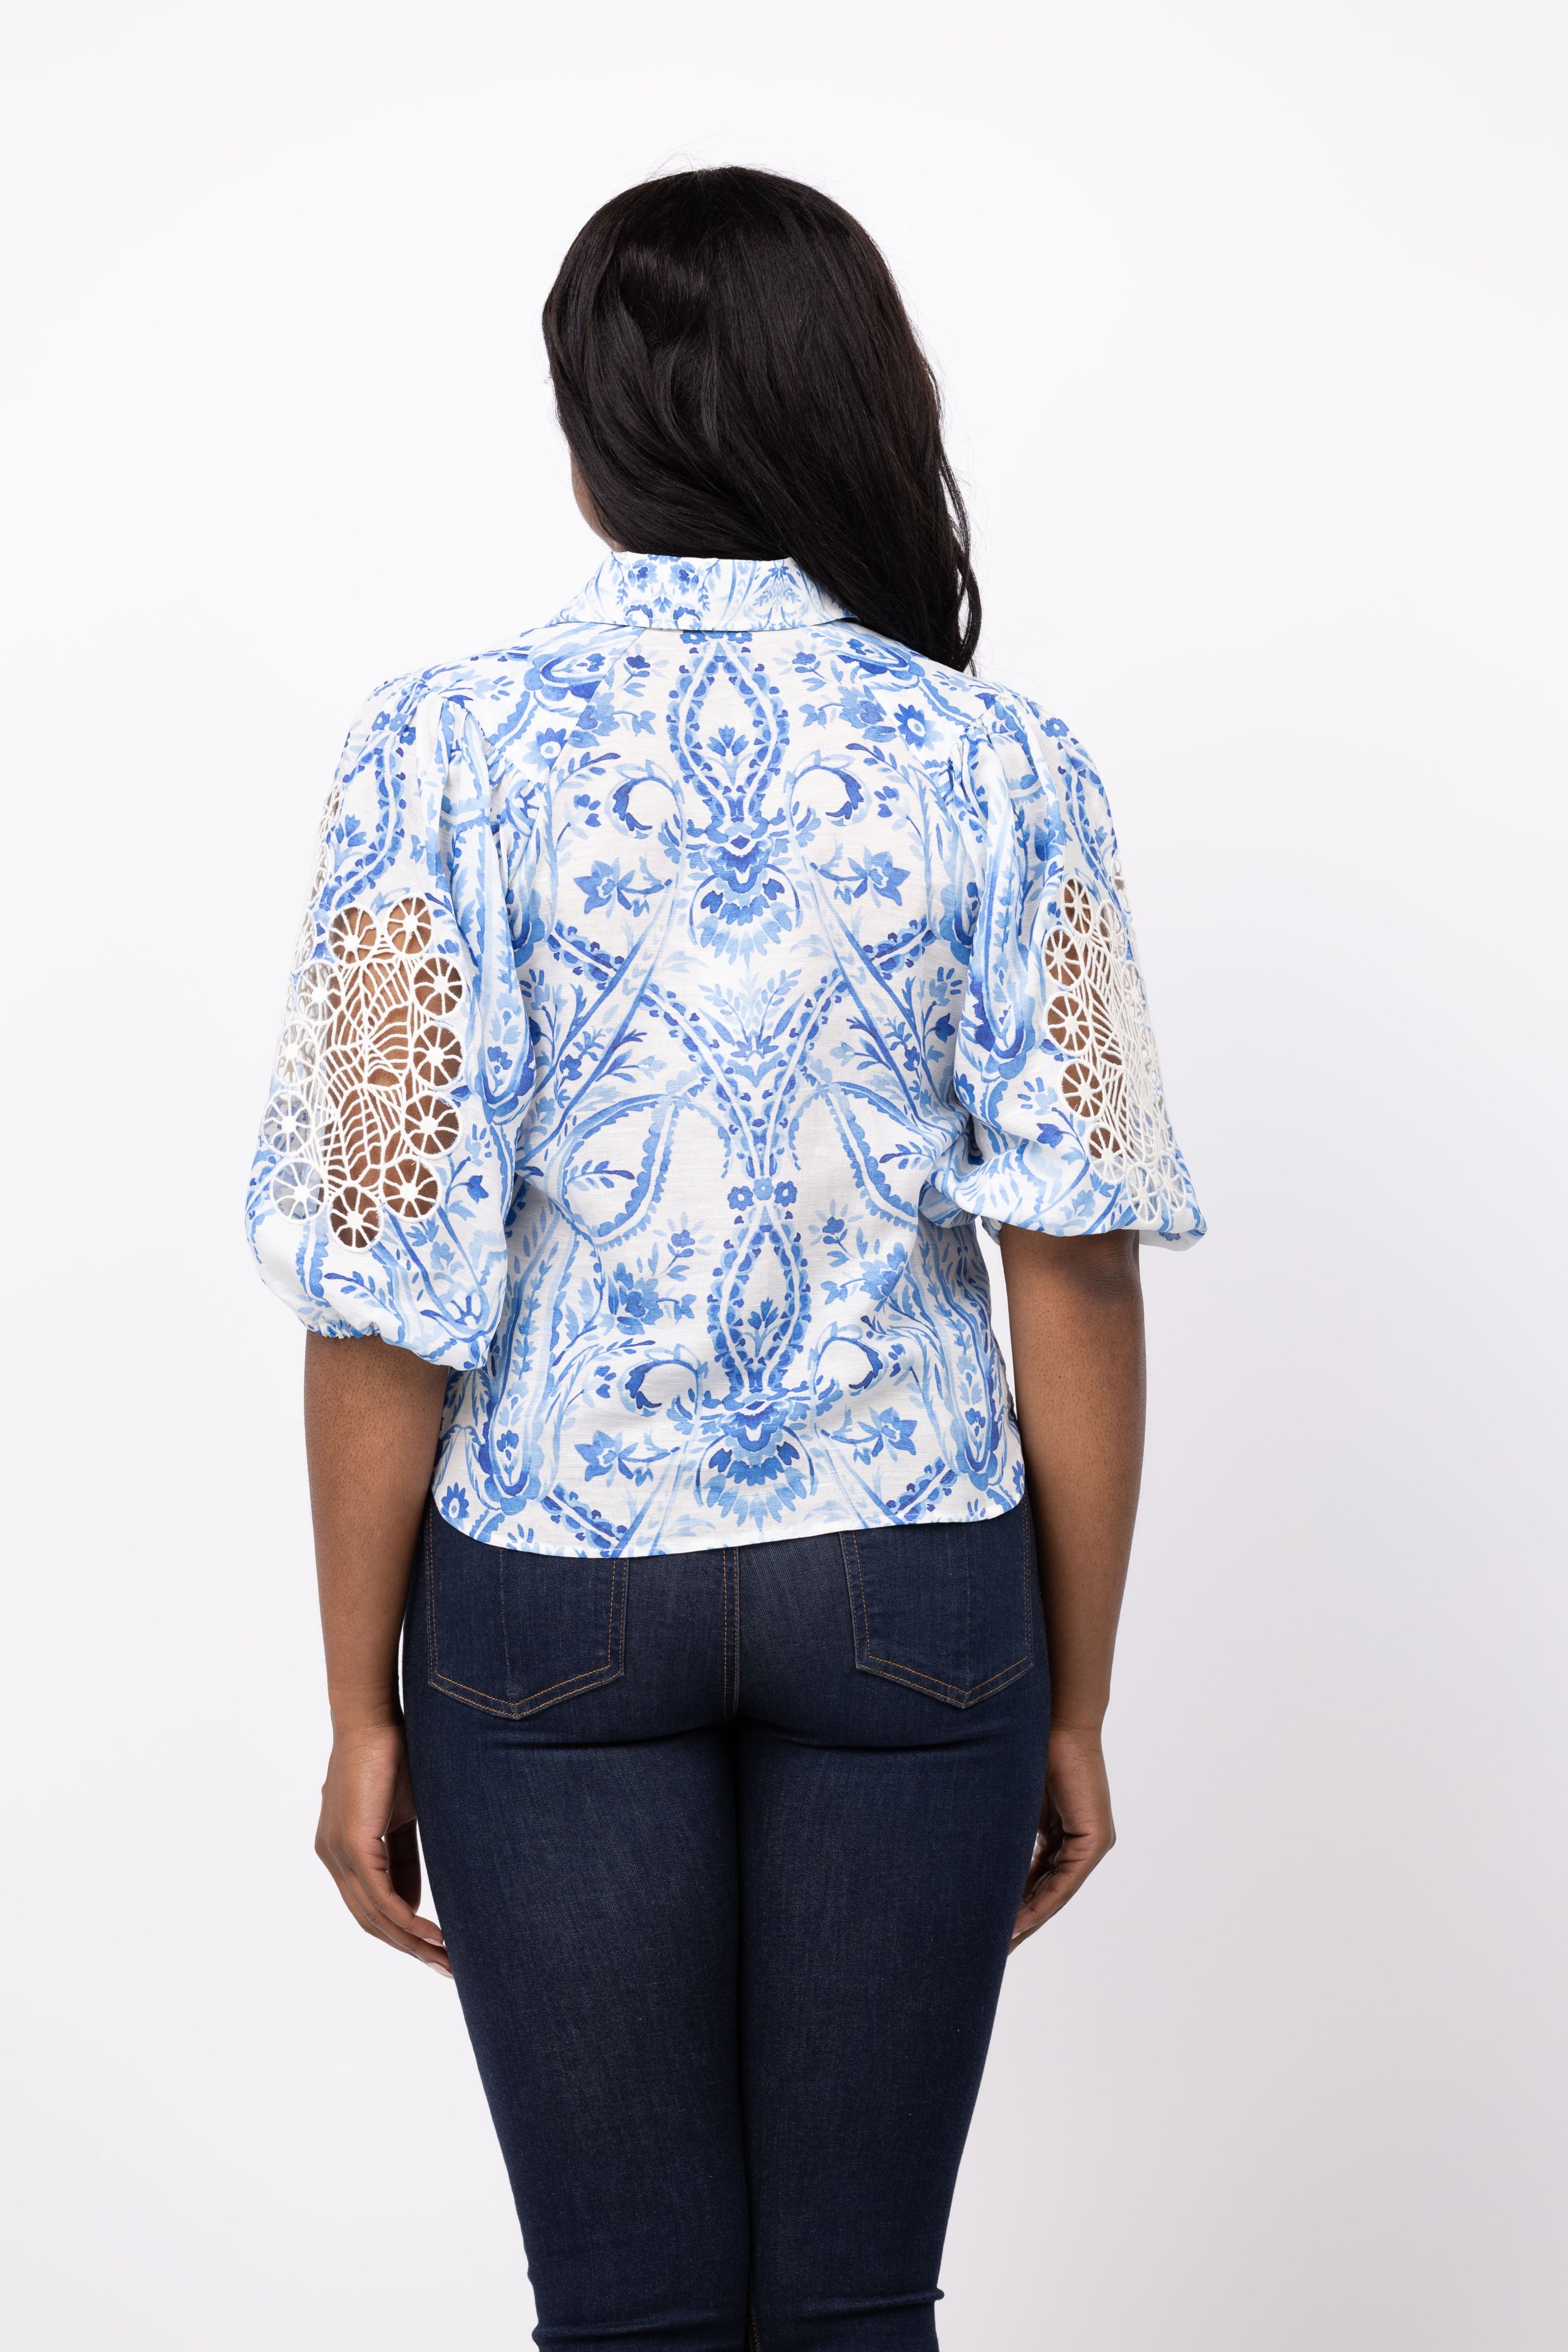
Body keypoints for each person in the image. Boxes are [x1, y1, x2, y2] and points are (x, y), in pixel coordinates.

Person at [247, 165, 1203, 2352]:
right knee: (854, 2305)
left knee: (633, 2317)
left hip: (547, 1592)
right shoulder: (1003, 759)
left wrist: (357, 1706)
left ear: (589, 424)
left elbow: (384, 1267)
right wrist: (1072, 1697)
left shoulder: (441, 746)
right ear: (852, 399)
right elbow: (1073, 1263)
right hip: (915, 1586)